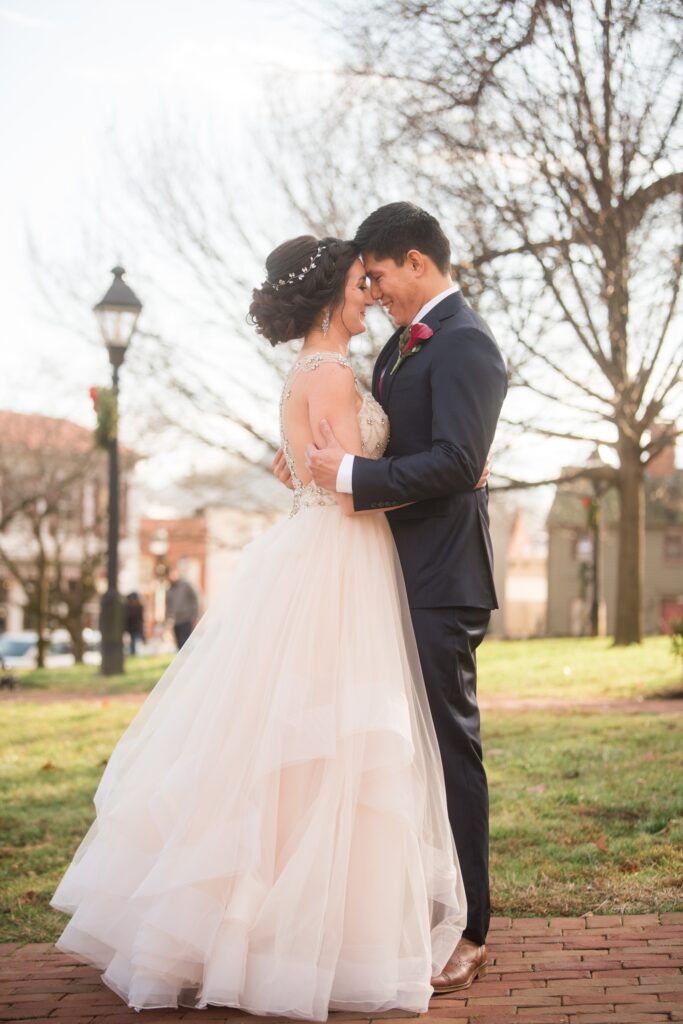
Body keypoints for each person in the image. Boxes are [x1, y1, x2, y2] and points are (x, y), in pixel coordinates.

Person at [49, 235, 468, 1019]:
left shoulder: (303, 373)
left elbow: (317, 468)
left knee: (293, 744)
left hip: (315, 553)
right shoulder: (335, 371)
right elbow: (345, 488)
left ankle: (265, 928)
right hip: (342, 558)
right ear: (325, 299)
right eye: (356, 284)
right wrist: (455, 476)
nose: (368, 294)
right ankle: (314, 941)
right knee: (334, 744)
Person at [293, 203, 508, 993]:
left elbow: (456, 459)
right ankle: (416, 904)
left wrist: (349, 478)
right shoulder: (395, 348)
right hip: (384, 573)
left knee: (448, 750)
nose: (374, 290)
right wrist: (322, 468)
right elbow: (403, 446)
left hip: (438, 580)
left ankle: (472, 927)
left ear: (415, 262)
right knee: (396, 750)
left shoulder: (466, 345)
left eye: (378, 275)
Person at [164, 569, 199, 649]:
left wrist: (195, 615)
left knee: (186, 641)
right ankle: (182, 659)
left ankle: (188, 658)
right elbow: (168, 606)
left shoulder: (186, 585)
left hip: (187, 618)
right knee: (179, 642)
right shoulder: (169, 590)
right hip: (176, 619)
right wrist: (167, 620)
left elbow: (195, 599)